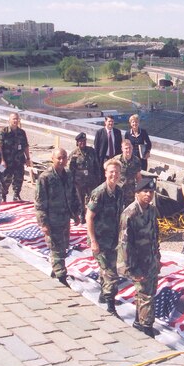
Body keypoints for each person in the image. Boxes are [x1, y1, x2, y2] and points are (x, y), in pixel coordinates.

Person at [118, 178, 161, 338]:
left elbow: (155, 235)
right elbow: (124, 244)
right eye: (145, 192)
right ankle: (146, 328)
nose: (149, 195)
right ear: (137, 193)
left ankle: (138, 321)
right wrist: (131, 269)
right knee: (146, 295)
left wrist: (157, 257)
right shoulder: (130, 213)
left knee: (149, 292)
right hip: (137, 262)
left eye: (151, 192)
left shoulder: (151, 211)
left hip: (150, 259)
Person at [35, 148, 81, 288]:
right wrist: (43, 223)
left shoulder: (67, 174)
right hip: (52, 219)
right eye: (59, 158)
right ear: (52, 159)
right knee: (56, 247)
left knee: (63, 246)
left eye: (64, 158)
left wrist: (76, 213)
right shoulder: (45, 178)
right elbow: (39, 203)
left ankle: (56, 270)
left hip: (65, 217)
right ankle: (61, 275)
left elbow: (73, 195)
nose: (62, 161)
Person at [86, 159, 124, 318]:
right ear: (106, 173)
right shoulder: (99, 193)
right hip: (100, 239)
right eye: (111, 172)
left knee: (108, 268)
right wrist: (93, 241)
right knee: (110, 272)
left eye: (116, 172)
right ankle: (110, 306)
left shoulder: (119, 192)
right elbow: (89, 218)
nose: (114, 175)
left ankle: (104, 294)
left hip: (112, 239)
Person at [0, 113, 31, 202]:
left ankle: (16, 195)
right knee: (5, 180)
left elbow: (26, 146)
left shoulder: (22, 132)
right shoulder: (3, 132)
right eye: (13, 119)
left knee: (19, 178)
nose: (15, 121)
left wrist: (28, 158)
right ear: (9, 120)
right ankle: (3, 196)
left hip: (19, 161)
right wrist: (2, 160)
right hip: (7, 162)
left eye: (17, 119)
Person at [69, 132, 101, 222]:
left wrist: (98, 178)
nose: (82, 143)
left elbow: (96, 165)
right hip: (79, 182)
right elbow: (70, 169)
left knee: (93, 199)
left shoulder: (91, 151)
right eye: (80, 141)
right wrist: (72, 182)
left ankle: (92, 216)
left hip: (91, 180)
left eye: (84, 141)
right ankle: (82, 215)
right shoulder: (74, 154)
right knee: (80, 200)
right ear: (77, 143)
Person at [111, 139, 142, 207]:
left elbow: (138, 177)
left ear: (132, 148)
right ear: (122, 149)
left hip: (130, 192)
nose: (128, 150)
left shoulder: (136, 161)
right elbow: (109, 173)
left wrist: (139, 192)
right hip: (118, 191)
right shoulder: (116, 160)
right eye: (126, 148)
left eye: (130, 148)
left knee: (129, 212)